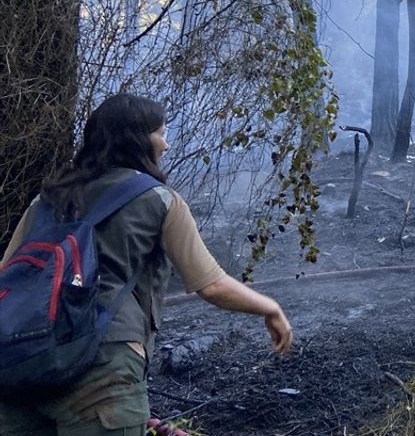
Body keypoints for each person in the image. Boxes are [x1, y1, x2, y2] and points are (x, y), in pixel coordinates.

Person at [0, 93, 292, 436]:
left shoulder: (46, 199)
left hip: (21, 368)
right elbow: (211, 284)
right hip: (102, 377)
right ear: (138, 138)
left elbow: (7, 275)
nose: (166, 145)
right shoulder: (157, 199)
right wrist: (269, 307)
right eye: (161, 133)